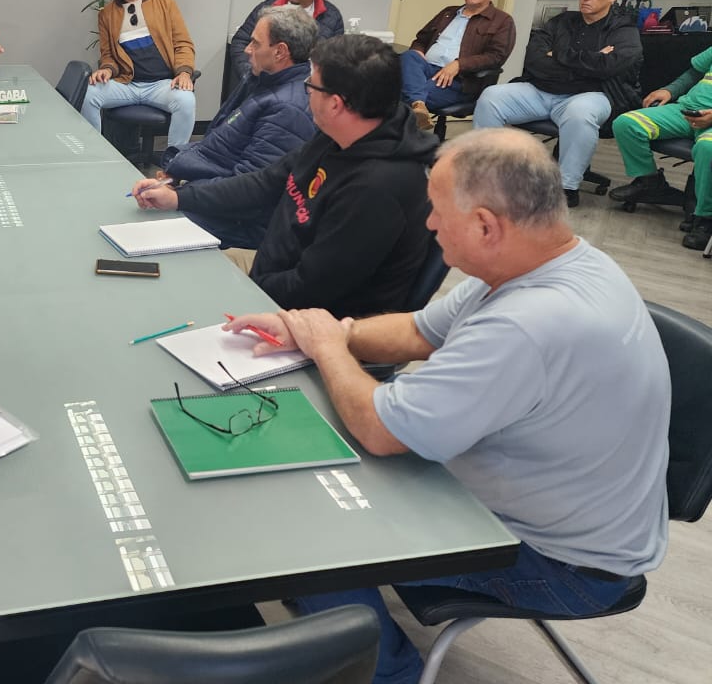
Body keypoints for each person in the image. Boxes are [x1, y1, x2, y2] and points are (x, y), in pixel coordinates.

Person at [226, 128, 669, 684]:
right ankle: (331, 604)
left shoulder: (527, 325)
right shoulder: (550, 263)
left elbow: (380, 429)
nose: (429, 223)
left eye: (437, 210)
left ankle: (386, 673)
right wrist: (323, 331)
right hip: (573, 523)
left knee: (305, 523)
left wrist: (327, 348)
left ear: (485, 225)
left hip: (564, 566)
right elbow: (418, 331)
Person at [132, 35, 435, 319]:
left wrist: (243, 288)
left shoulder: (379, 188)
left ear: (335, 104)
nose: (305, 93)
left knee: (170, 304)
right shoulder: (337, 136)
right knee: (162, 276)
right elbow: (264, 182)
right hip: (271, 272)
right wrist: (178, 198)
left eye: (310, 85)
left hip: (310, 318)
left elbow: (313, 287)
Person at [151, 5, 318, 248]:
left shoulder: (288, 110)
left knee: (147, 226)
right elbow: (219, 147)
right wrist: (177, 174)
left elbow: (248, 191)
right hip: (217, 201)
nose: (247, 50)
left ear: (280, 52)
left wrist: (179, 196)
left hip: (240, 222)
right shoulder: (261, 83)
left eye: (256, 43)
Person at [472, 0, 641, 207]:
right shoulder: (561, 21)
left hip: (590, 94)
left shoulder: (624, 30)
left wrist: (558, 55)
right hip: (542, 90)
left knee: (580, 113)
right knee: (491, 96)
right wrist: (590, 60)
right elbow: (534, 58)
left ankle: (567, 186)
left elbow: (610, 67)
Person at [81, 0, 197, 147]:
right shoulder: (107, 14)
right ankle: (94, 153)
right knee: (88, 93)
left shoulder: (165, 2)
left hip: (161, 85)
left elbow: (183, 43)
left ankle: (174, 160)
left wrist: (184, 73)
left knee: (186, 100)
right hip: (126, 84)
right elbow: (108, 55)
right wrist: (107, 69)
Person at [609, 43, 712, 250]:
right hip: (686, 109)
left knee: (707, 149)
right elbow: (694, 73)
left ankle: (705, 219)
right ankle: (650, 183)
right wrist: (669, 90)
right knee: (626, 124)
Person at [399, 0, 515, 130]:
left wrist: (459, 64)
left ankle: (404, 131)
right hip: (425, 70)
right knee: (409, 56)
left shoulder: (502, 21)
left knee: (395, 93)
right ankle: (418, 104)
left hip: (460, 81)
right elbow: (421, 39)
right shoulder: (448, 12)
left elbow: (496, 57)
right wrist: (418, 50)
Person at [227, 0, 344, 85]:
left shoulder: (332, 17)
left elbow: (335, 60)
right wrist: (250, 75)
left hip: (307, 87)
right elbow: (240, 42)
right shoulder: (268, 8)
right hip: (263, 82)